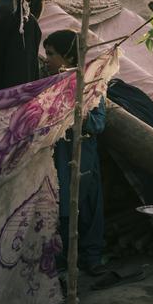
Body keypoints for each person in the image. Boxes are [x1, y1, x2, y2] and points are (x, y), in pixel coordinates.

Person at [44, 29, 108, 276]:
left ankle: (92, 258)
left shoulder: (92, 85)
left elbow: (98, 123)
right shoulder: (47, 82)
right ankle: (63, 260)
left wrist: (76, 111)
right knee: (61, 207)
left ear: (68, 57)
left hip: (83, 154)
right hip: (57, 155)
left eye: (51, 54)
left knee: (88, 204)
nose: (47, 59)